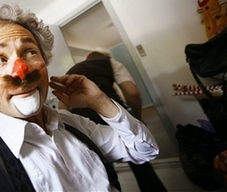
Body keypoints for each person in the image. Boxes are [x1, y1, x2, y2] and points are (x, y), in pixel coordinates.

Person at [0, 4, 159, 191]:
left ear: (45, 63)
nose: (21, 70)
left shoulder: (75, 125)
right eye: (0, 58)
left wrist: (99, 101)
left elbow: (145, 150)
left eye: (30, 52)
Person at [60, 50, 167, 192]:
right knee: (139, 160)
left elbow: (63, 105)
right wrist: (138, 116)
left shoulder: (72, 71)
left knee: (102, 169)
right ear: (104, 58)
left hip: (83, 119)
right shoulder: (110, 62)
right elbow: (132, 92)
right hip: (110, 112)